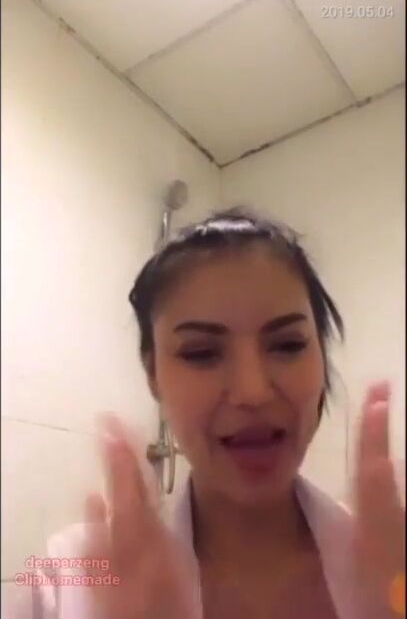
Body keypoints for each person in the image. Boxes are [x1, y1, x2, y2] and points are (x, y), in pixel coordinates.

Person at [7, 207, 405, 618]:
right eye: (201, 353)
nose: (253, 391)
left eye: (287, 345)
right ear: (154, 375)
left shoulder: (397, 571)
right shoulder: (67, 579)